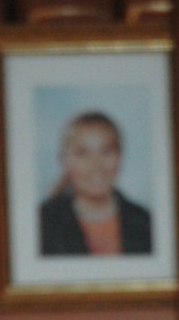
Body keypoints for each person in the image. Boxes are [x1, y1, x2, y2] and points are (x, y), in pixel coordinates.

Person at [38, 111, 153, 259]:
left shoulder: (146, 223)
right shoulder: (43, 224)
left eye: (106, 151)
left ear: (120, 157)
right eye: (82, 153)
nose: (96, 165)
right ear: (63, 160)